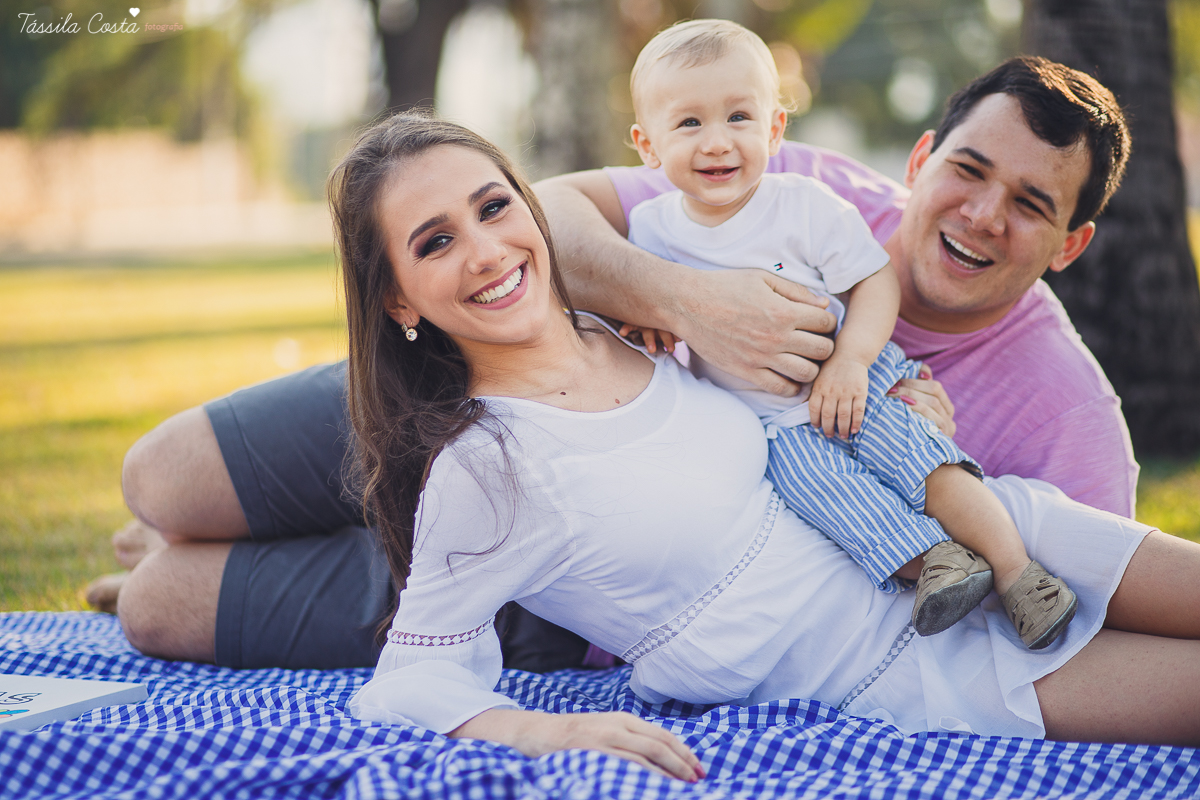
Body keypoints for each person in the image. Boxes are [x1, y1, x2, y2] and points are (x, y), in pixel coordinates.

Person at [110, 54, 1136, 673]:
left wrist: (924, 475)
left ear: (1072, 242)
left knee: (162, 600)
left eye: (1033, 204)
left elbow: (1052, 615)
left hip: (572, 580)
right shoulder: (794, 183)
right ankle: (219, 531)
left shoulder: (1072, 419)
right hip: (486, 376)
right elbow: (547, 207)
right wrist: (682, 298)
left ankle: (194, 564)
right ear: (921, 160)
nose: (982, 215)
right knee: (162, 477)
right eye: (967, 169)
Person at [330, 113, 1200, 784]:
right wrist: (553, 731)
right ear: (399, 302)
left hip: (978, 532)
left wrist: (893, 388)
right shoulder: (490, 466)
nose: (486, 250)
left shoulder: (631, 332)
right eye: (435, 242)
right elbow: (413, 675)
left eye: (493, 207)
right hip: (892, 670)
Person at [617, 19, 1073, 648]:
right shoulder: (650, 228)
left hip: (852, 378)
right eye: (689, 123)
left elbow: (873, 281)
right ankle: (937, 567)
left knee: (923, 463)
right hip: (769, 424)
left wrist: (853, 361)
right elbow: (642, 304)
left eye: (739, 118)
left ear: (775, 129)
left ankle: (1021, 574)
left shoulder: (801, 204)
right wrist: (645, 324)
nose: (717, 142)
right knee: (829, 500)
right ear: (647, 145)